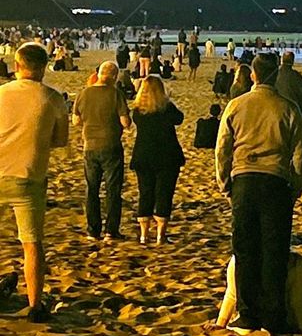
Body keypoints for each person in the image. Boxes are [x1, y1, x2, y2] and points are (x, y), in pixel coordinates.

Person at [216, 53, 302, 336]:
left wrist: (225, 184)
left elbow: (222, 149)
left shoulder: (236, 105)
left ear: (253, 75)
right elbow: (299, 154)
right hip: (276, 182)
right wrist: (295, 188)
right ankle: (273, 314)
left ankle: (248, 313)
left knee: (245, 248)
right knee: (275, 250)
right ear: (275, 75)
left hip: (244, 179)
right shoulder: (288, 108)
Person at [0, 43, 69, 321]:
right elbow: (60, 140)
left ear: (17, 66)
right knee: (31, 243)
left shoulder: (1, 94)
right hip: (29, 176)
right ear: (44, 67)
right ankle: (34, 304)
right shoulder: (52, 98)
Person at [73, 60, 131, 242]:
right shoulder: (115, 94)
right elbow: (125, 122)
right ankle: (111, 231)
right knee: (113, 190)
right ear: (114, 77)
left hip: (89, 145)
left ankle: (93, 230)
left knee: (92, 189)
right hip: (110, 145)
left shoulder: (83, 93)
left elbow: (76, 121)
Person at [130, 75, 185, 245]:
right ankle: (161, 234)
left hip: (144, 154)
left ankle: (144, 234)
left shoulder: (138, 111)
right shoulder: (166, 108)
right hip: (167, 155)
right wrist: (167, 98)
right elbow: (180, 119)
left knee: (145, 193)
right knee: (164, 193)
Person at [212, 251, 302, 334]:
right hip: (282, 324)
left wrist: (220, 324)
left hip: (247, 325)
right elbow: (298, 302)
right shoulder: (296, 261)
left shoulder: (238, 260)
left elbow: (232, 295)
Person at [275, 52, 302, 119]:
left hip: (277, 108)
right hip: (293, 109)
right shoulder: (296, 76)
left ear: (282, 60)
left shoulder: (274, 74)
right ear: (292, 61)